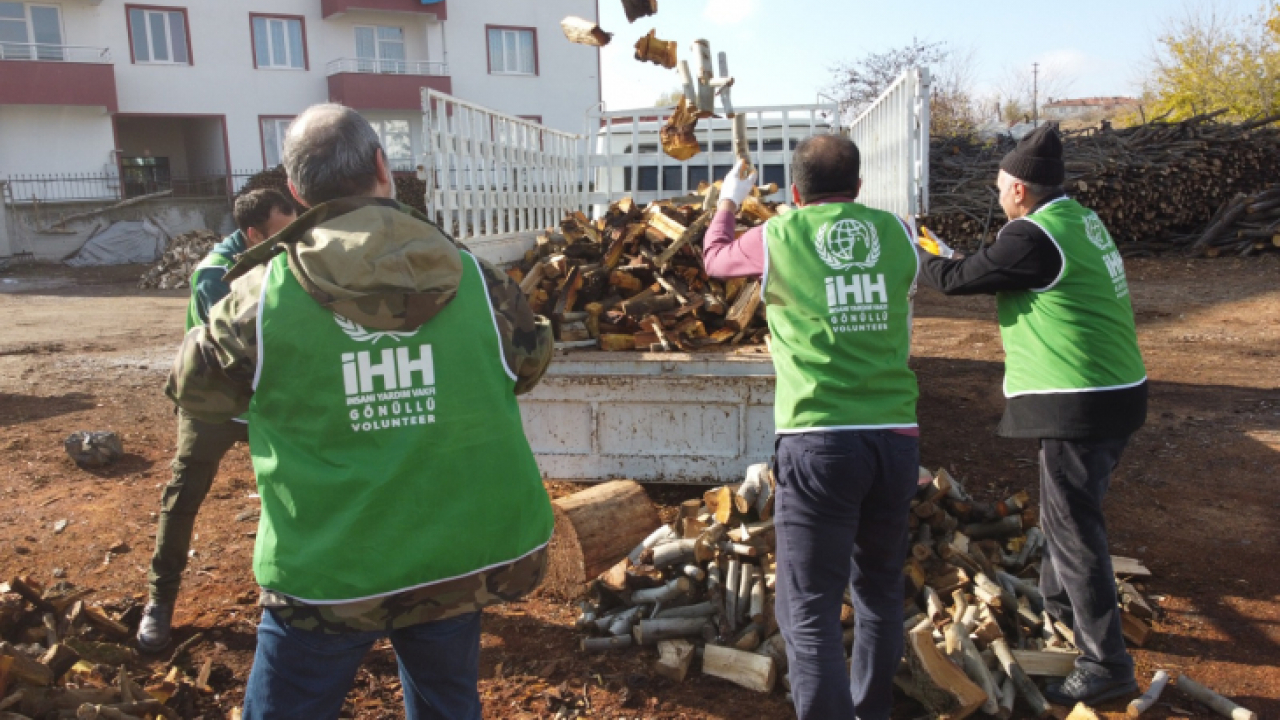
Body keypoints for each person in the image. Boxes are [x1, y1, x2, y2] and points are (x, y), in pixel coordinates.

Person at [165, 103, 556, 719]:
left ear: (295, 190)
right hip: (455, 561)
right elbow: (529, 366)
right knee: (446, 704)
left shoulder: (259, 296)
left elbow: (196, 391)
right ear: (383, 165)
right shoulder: (481, 280)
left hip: (328, 575)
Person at [915, 124, 1146, 705]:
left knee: (1075, 528)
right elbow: (991, 265)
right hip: (1117, 391)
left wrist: (917, 251)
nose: (997, 197)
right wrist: (950, 252)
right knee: (1066, 511)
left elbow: (953, 279)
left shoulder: (1032, 236)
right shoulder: (1078, 221)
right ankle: (1060, 607)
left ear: (1019, 190)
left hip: (1081, 399)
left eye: (999, 188)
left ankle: (1106, 664)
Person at [703, 136, 920, 720]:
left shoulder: (778, 234)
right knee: (879, 594)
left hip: (819, 438)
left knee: (810, 607)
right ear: (858, 186)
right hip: (896, 436)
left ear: (795, 192)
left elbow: (715, 260)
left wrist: (728, 201)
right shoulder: (896, 232)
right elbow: (925, 264)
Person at [138, 188, 297, 651]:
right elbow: (245, 348)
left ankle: (296, 592)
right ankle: (159, 601)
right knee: (184, 494)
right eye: (282, 235)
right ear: (252, 236)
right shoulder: (214, 275)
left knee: (296, 488)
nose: (293, 243)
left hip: (264, 401)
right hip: (214, 403)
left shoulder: (281, 257)